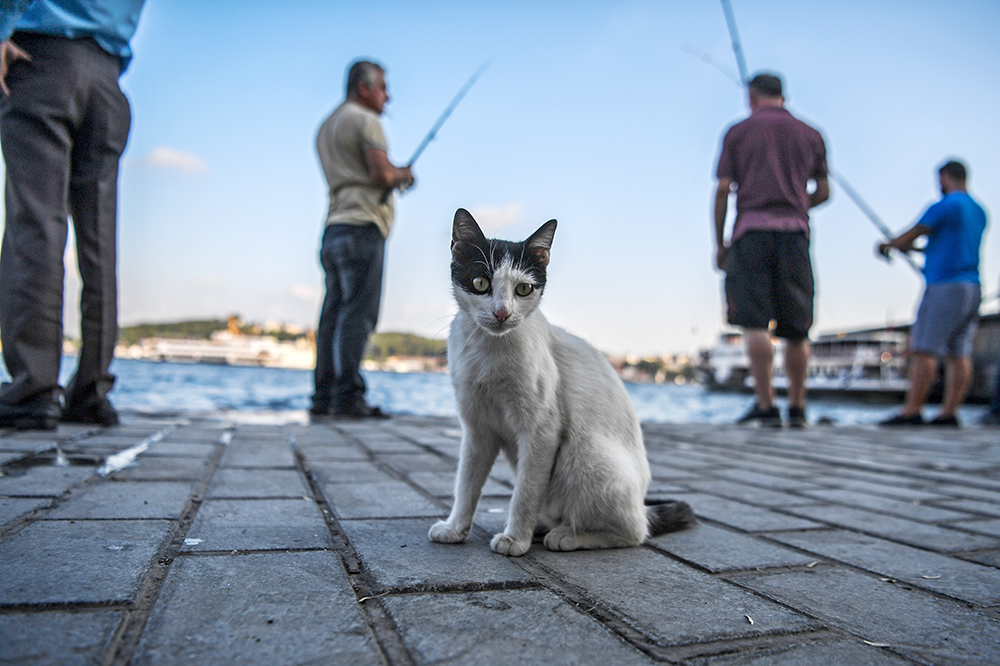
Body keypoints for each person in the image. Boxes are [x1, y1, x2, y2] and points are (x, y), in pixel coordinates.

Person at [0, 0, 146, 430]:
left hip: (41, 58)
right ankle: (92, 391)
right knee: (100, 240)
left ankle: (34, 388)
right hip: (107, 78)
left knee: (38, 223)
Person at [713, 73, 829, 428]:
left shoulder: (738, 131)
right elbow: (823, 191)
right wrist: (796, 203)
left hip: (751, 231)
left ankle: (766, 405)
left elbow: (722, 190)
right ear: (782, 95)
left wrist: (720, 243)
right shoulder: (811, 133)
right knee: (797, 328)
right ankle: (797, 406)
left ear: (752, 95)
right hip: (794, 233)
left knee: (755, 322)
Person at [312, 60, 414, 419]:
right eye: (383, 87)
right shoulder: (366, 120)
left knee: (333, 314)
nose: (388, 96)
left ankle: (322, 396)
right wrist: (405, 175)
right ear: (364, 87)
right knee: (358, 314)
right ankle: (349, 397)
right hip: (363, 225)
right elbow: (381, 172)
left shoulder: (326, 126)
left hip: (333, 227)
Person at [878, 160, 986, 427]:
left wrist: (889, 245)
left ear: (946, 178)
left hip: (945, 285)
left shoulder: (946, 205)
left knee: (924, 349)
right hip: (972, 286)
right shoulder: (979, 211)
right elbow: (944, 245)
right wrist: (913, 249)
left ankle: (911, 411)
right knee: (959, 353)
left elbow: (913, 233)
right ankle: (949, 414)